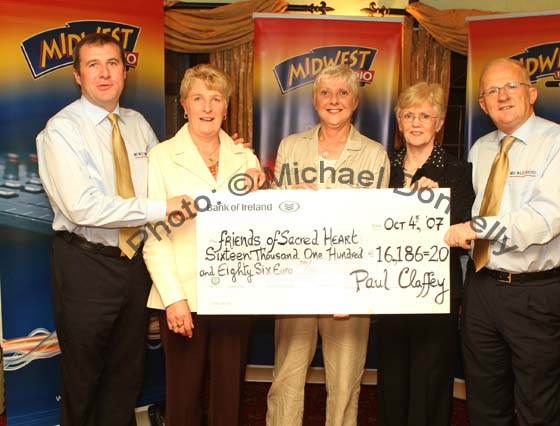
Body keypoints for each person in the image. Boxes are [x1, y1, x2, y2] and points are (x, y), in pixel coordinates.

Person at [36, 33, 190, 425]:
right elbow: (82, 206)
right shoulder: (62, 131)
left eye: (112, 64)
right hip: (86, 265)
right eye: (93, 65)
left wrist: (218, 154)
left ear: (125, 70)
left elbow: (169, 174)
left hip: (134, 264)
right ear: (77, 75)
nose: (104, 73)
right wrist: (160, 208)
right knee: (84, 376)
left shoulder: (137, 125)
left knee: (126, 375)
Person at [445, 58, 560, 425]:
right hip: (481, 288)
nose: (502, 96)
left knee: (535, 407)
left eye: (511, 86)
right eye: (492, 90)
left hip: (534, 294)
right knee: (483, 400)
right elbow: (466, 207)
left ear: (531, 93)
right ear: (482, 104)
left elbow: (546, 219)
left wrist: (476, 228)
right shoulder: (480, 149)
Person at [266, 64, 390, 426]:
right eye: (325, 92)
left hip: (348, 285)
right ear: (314, 99)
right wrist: (286, 195)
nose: (334, 100)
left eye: (343, 93)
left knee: (345, 381)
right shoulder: (290, 146)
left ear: (355, 101)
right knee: (287, 375)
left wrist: (350, 289)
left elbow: (379, 224)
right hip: (297, 280)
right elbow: (271, 215)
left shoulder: (374, 153)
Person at [142, 64, 262, 426]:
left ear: (226, 107)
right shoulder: (161, 157)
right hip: (182, 295)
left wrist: (263, 193)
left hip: (233, 292)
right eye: (198, 98)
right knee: (183, 397)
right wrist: (173, 298)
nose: (207, 107)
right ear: (184, 105)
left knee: (229, 396)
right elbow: (154, 235)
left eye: (216, 99)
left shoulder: (246, 158)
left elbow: (259, 230)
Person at [377, 82, 474, 426]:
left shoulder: (458, 171)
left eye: (424, 116)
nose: (416, 123)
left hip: (436, 293)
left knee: (430, 382)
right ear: (399, 123)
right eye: (408, 116)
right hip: (387, 290)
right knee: (392, 378)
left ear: (439, 122)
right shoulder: (382, 167)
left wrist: (434, 206)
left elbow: (464, 229)